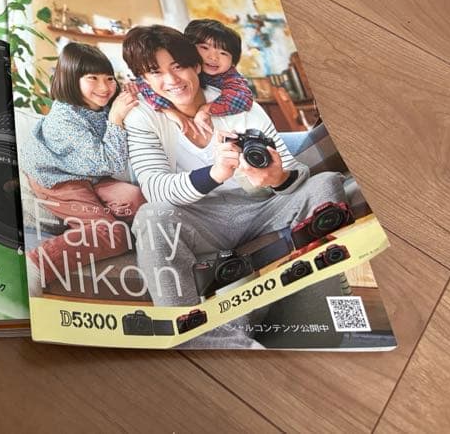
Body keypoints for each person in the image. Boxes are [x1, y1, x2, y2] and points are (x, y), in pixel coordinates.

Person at [121, 25, 346, 348]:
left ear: (196, 65)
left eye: (178, 66)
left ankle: (294, 317)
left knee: (325, 183)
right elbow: (156, 189)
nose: (171, 80)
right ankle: (195, 336)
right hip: (200, 221)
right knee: (151, 216)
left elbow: (294, 170)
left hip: (261, 209)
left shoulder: (241, 105)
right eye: (155, 72)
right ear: (144, 79)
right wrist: (215, 173)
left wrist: (277, 178)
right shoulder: (142, 117)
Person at [21, 43, 145, 275]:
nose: (104, 87)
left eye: (109, 78)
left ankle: (98, 220)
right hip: (58, 177)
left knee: (138, 200)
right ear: (71, 79)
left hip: (92, 174)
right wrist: (116, 118)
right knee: (112, 234)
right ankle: (35, 264)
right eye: (93, 78)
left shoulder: (101, 104)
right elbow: (111, 163)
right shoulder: (63, 118)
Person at [135, 19, 254, 138]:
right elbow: (145, 83)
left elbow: (242, 99)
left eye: (223, 53)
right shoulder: (172, 72)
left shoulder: (230, 77)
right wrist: (169, 111)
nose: (213, 57)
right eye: (205, 48)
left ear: (232, 62)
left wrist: (206, 109)